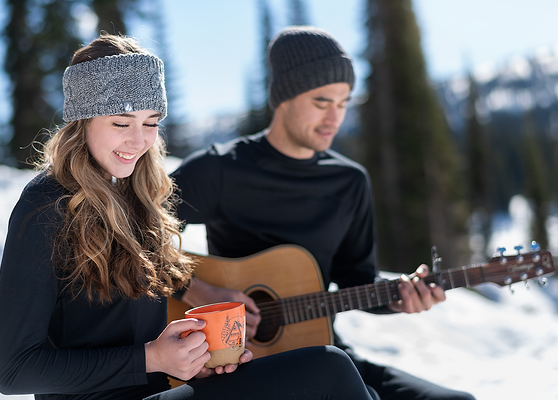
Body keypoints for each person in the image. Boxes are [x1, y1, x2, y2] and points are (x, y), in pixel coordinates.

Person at [0, 33, 376, 400]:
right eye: (122, 123)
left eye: (151, 123)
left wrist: (191, 360)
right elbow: (13, 372)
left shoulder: (134, 195)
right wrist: (151, 359)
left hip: (160, 391)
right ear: (82, 120)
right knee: (330, 369)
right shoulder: (46, 205)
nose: (139, 141)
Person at [171, 26, 476, 400]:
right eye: (321, 102)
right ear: (284, 96)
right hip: (244, 365)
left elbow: (355, 280)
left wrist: (398, 298)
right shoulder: (220, 169)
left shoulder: (349, 181)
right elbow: (128, 231)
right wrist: (197, 288)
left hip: (324, 347)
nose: (335, 117)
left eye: (345, 102)